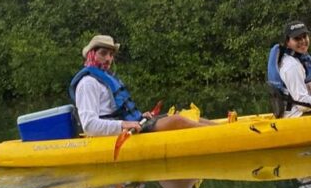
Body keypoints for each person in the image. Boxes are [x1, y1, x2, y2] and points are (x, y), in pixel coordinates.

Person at [69, 34, 211, 136]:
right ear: (92, 55)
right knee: (178, 120)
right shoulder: (87, 83)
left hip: (133, 125)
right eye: (103, 53)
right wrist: (124, 125)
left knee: (180, 115)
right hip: (117, 135)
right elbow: (89, 126)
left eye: (111, 55)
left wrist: (138, 117)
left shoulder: (105, 79)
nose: (108, 59)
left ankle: (228, 128)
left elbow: (116, 110)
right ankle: (221, 136)